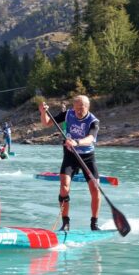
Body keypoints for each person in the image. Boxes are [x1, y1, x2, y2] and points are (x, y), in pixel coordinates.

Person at [39, 95, 101, 231]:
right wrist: (43, 112)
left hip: (87, 156)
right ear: (73, 107)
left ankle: (94, 223)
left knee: (95, 189)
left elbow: (91, 138)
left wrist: (77, 142)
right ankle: (65, 223)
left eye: (82, 109)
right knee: (64, 188)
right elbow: (47, 123)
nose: (78, 111)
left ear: (88, 107)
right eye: (76, 108)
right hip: (70, 155)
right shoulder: (68, 114)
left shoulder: (93, 121)